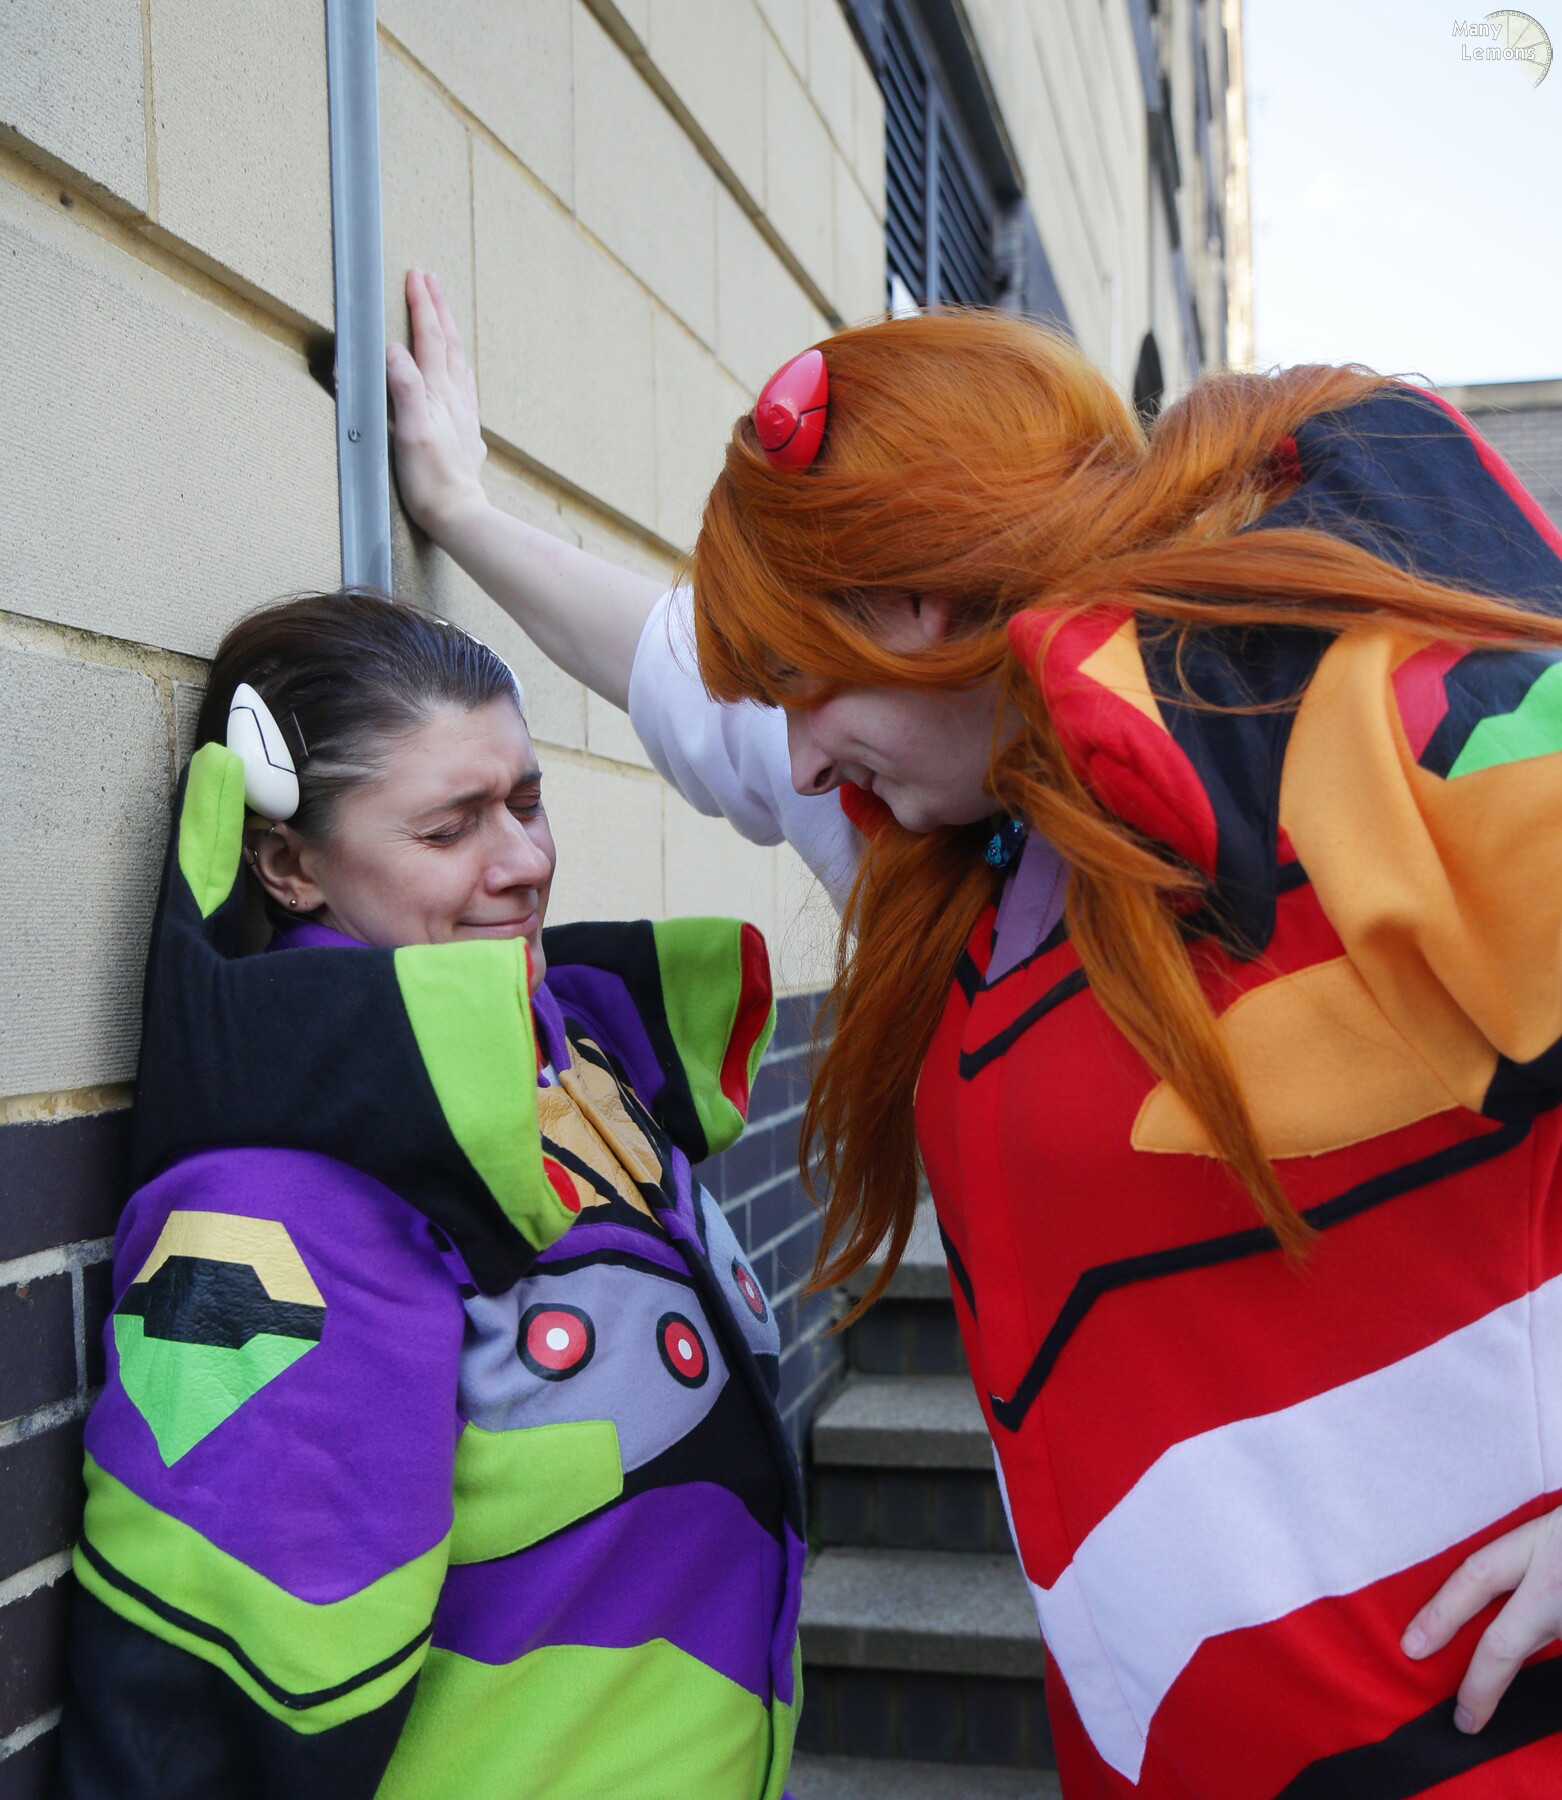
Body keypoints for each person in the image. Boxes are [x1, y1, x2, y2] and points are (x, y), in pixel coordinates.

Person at [388, 268, 1562, 1795]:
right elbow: (669, 668)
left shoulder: (1367, 724)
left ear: (918, 606)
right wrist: (462, 510)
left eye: (804, 685)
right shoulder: (948, 852)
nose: (798, 762)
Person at [60, 591, 802, 1800]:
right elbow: (201, 1714)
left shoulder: (579, 1067)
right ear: (287, 863)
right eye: (450, 827)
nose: (524, 862)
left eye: (526, 801)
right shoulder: (265, 1211)